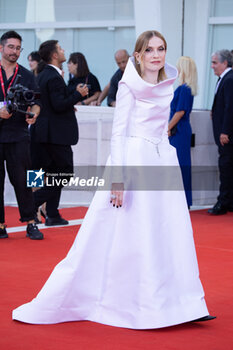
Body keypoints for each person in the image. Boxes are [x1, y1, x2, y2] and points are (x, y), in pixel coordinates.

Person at [13, 30, 214, 328]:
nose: (156, 55)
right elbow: (118, 134)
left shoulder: (168, 84)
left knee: (169, 231)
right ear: (138, 55)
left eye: (161, 49)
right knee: (134, 233)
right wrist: (117, 179)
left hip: (161, 161)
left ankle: (183, 302)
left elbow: (161, 128)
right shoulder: (128, 85)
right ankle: (140, 303)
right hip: (133, 162)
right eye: (149, 50)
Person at [31, 40, 88, 226]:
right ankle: (32, 203)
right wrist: (77, 95)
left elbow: (51, 104)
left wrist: (69, 103)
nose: (64, 51)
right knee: (64, 173)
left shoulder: (44, 75)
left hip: (46, 133)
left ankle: (53, 214)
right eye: (60, 49)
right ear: (55, 55)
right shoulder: (53, 77)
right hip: (54, 134)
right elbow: (58, 104)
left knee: (54, 173)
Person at [0, 31, 43, 240]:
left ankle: (31, 222)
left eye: (18, 48)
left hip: (18, 134)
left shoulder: (26, 75)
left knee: (24, 180)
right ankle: (0, 225)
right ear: (1, 48)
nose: (14, 52)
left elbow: (36, 102)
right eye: (11, 47)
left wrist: (33, 114)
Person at [168, 56, 197, 208]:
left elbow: (180, 112)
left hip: (178, 130)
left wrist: (167, 128)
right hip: (179, 130)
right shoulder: (185, 88)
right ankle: (181, 200)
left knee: (180, 164)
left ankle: (182, 200)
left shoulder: (184, 89)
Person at [208, 50, 233, 215]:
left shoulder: (229, 79)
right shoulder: (224, 79)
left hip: (227, 135)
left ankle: (223, 202)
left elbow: (230, 107)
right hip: (224, 133)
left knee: (225, 167)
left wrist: (225, 131)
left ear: (225, 63)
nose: (212, 66)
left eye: (215, 62)